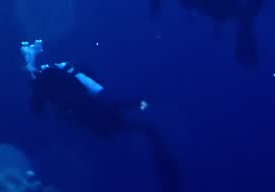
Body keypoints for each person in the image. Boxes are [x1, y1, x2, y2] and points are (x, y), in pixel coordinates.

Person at [22, 41, 183, 192]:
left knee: (138, 128)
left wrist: (34, 81)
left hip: (94, 117)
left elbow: (37, 108)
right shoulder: (65, 71)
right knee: (143, 127)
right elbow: (97, 91)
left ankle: (168, 176)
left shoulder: (45, 79)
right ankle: (170, 177)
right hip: (100, 111)